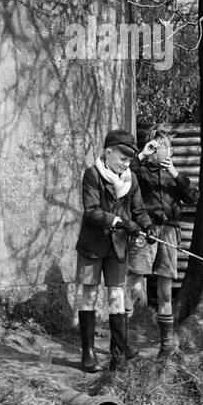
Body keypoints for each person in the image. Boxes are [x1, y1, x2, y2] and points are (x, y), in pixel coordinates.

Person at [75, 128, 154, 372]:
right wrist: (119, 222)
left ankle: (118, 351)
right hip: (93, 244)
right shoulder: (92, 175)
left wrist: (147, 226)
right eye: (122, 158)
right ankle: (88, 353)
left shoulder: (131, 180)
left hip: (118, 247)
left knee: (116, 295)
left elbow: (138, 210)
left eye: (130, 160)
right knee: (89, 294)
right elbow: (92, 211)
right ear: (108, 153)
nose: (126, 163)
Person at [128, 125, 198, 357]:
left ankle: (166, 343)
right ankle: (125, 340)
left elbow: (192, 197)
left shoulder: (174, 176)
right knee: (136, 284)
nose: (165, 152)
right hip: (146, 231)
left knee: (165, 290)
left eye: (168, 147)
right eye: (159, 147)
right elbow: (124, 170)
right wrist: (143, 153)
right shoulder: (140, 171)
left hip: (169, 232)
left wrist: (176, 174)